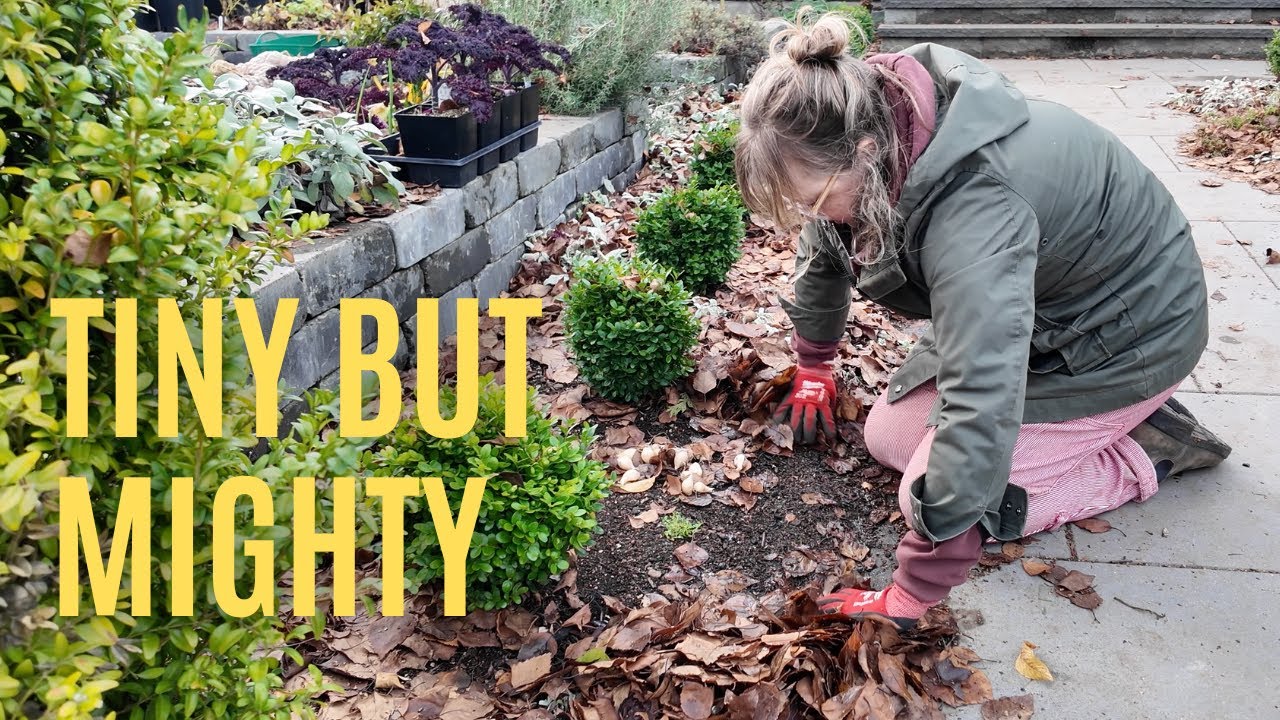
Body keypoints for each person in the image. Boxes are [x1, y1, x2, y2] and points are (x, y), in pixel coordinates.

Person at [737, 12, 1233, 629]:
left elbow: (982, 388)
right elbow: (826, 249)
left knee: (962, 502)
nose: (808, 215)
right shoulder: (864, 121)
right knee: (889, 439)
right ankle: (1085, 431)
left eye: (812, 200)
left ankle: (1146, 452)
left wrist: (914, 591)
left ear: (864, 153)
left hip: (1129, 339)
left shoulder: (977, 206)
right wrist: (814, 365)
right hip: (1044, 318)